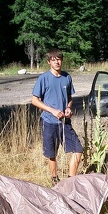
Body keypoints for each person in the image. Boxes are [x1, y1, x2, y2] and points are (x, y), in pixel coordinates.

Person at [31, 48, 83, 185]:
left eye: (59, 59)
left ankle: (71, 181)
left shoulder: (67, 77)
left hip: (65, 122)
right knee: (52, 153)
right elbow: (34, 100)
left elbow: (70, 98)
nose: (57, 62)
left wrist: (68, 108)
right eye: (53, 60)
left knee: (78, 149)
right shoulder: (43, 78)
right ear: (49, 62)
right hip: (49, 122)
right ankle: (55, 179)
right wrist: (52, 110)